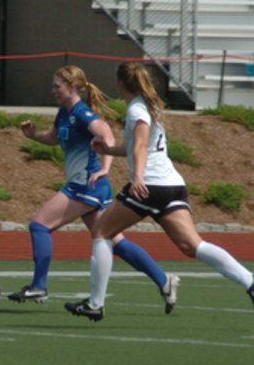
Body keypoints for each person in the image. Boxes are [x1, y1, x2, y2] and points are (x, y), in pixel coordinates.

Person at [79, 61, 254, 315]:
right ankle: (250, 281)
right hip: (172, 185)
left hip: (149, 185)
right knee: (192, 245)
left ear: (120, 84)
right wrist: (109, 150)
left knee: (101, 232)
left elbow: (140, 146)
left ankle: (95, 303)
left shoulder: (136, 109)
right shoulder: (149, 106)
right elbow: (140, 146)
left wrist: (137, 176)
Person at [8, 65, 180, 320]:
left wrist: (104, 168)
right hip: (87, 186)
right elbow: (54, 138)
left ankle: (39, 287)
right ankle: (164, 281)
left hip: (85, 185)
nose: (53, 90)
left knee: (40, 225)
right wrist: (34, 135)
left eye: (57, 86)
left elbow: (106, 135)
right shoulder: (64, 113)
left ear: (72, 87)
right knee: (115, 242)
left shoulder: (83, 112)